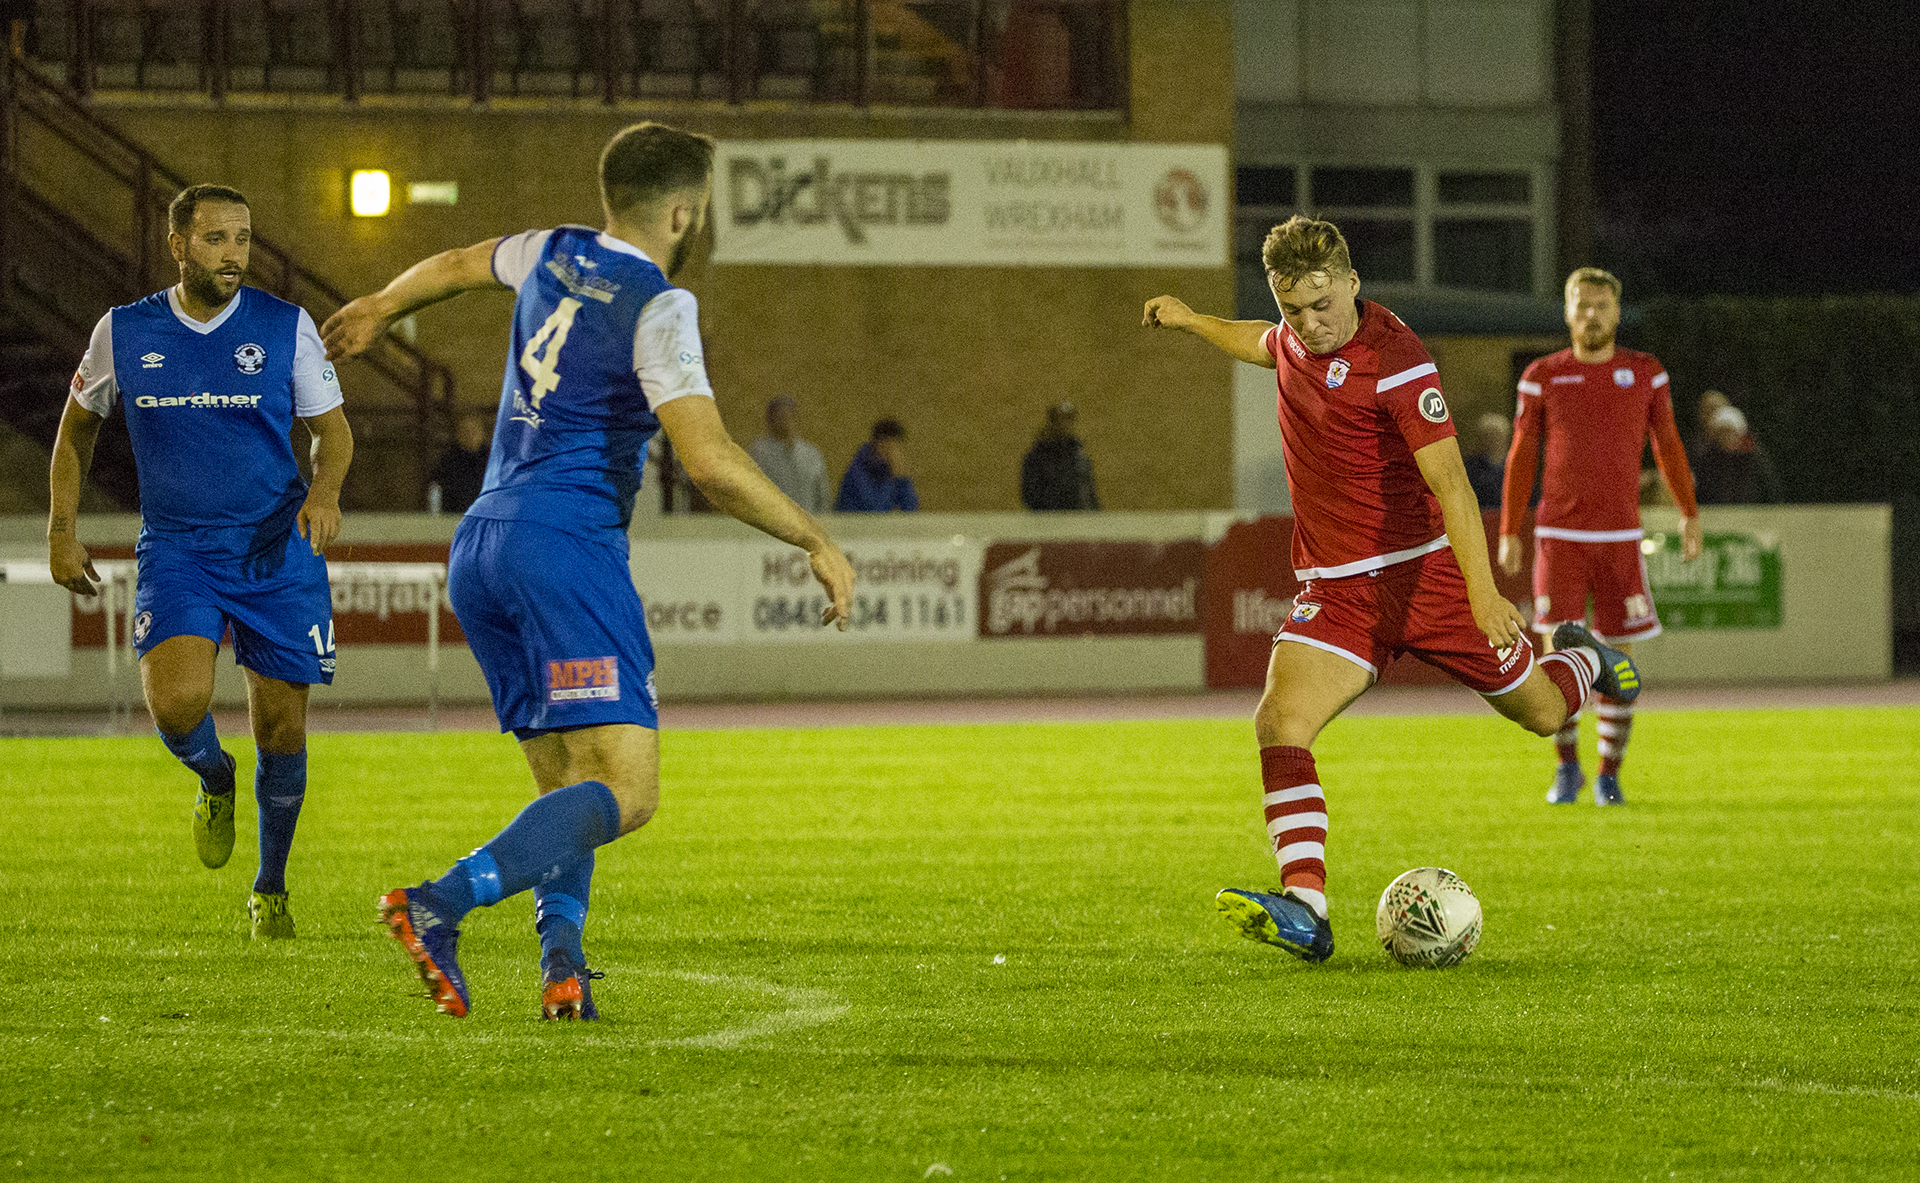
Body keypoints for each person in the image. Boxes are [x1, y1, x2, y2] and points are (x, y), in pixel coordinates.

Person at [321, 121, 856, 1021]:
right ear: (684, 212)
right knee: (626, 790)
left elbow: (455, 261)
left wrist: (380, 303)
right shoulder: (660, 305)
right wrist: (813, 538)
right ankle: (437, 903)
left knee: (569, 786)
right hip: (565, 546)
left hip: (483, 543)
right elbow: (709, 459)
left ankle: (562, 968)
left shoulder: (553, 251)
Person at [1142, 215, 1640, 964]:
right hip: (1338, 591)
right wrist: (1190, 321)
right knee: (1280, 721)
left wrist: (1482, 592)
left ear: (1351, 283)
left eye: (1321, 304)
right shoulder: (1294, 336)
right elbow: (1258, 341)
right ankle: (1306, 905)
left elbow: (1452, 487)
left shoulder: (1399, 362)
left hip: (1428, 578)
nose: (1308, 324)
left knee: (1541, 712)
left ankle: (1586, 660)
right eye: (1292, 307)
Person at [47, 183, 354, 940]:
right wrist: (61, 529)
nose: (234, 255)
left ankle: (270, 888)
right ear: (179, 246)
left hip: (275, 547)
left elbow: (334, 432)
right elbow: (75, 431)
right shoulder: (123, 331)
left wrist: (326, 492)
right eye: (216, 239)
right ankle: (215, 778)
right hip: (179, 546)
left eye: (244, 239)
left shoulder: (285, 327)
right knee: (177, 705)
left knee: (282, 727)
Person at [1497, 267, 1701, 807]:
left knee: (1618, 655)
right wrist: (1509, 526)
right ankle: (1568, 770)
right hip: (1558, 537)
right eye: (1582, 304)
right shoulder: (1542, 374)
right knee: (1557, 652)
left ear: (1617, 311)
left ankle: (1610, 774)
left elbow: (1669, 445)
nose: (1592, 314)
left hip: (1620, 536)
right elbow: (1521, 454)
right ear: (1567, 311)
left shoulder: (1645, 371)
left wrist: (1689, 512)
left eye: (1602, 305)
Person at [747, 394, 830, 513]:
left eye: (788, 415)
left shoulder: (811, 454)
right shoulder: (758, 452)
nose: (785, 420)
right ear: (770, 420)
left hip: (807, 522)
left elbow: (823, 496)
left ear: (795, 419)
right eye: (779, 416)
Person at [1693, 403, 1782, 505]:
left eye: (1730, 432)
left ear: (1740, 433)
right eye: (1722, 432)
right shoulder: (1707, 460)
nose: (1727, 437)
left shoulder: (1754, 458)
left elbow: (1771, 491)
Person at [1019, 400, 1100, 510]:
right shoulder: (1037, 456)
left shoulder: (1079, 454)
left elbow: (1088, 489)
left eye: (1069, 419)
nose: (1065, 424)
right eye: (1060, 419)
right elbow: (1030, 494)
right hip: (1049, 521)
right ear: (1051, 422)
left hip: (1080, 520)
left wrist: (1095, 515)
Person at [835, 417, 919, 512]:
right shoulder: (858, 472)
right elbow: (875, 513)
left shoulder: (893, 473)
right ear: (880, 444)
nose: (895, 453)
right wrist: (899, 478)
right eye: (891, 446)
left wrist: (903, 480)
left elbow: (911, 512)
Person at [428, 410, 491, 514]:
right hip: (452, 518)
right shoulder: (447, 461)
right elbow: (436, 490)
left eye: (474, 431)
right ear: (458, 433)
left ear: (482, 433)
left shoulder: (492, 460)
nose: (470, 435)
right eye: (465, 431)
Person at [1463, 412, 1510, 510]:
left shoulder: (1516, 466)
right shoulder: (1471, 467)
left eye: (1497, 435)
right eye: (1489, 436)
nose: (1493, 441)